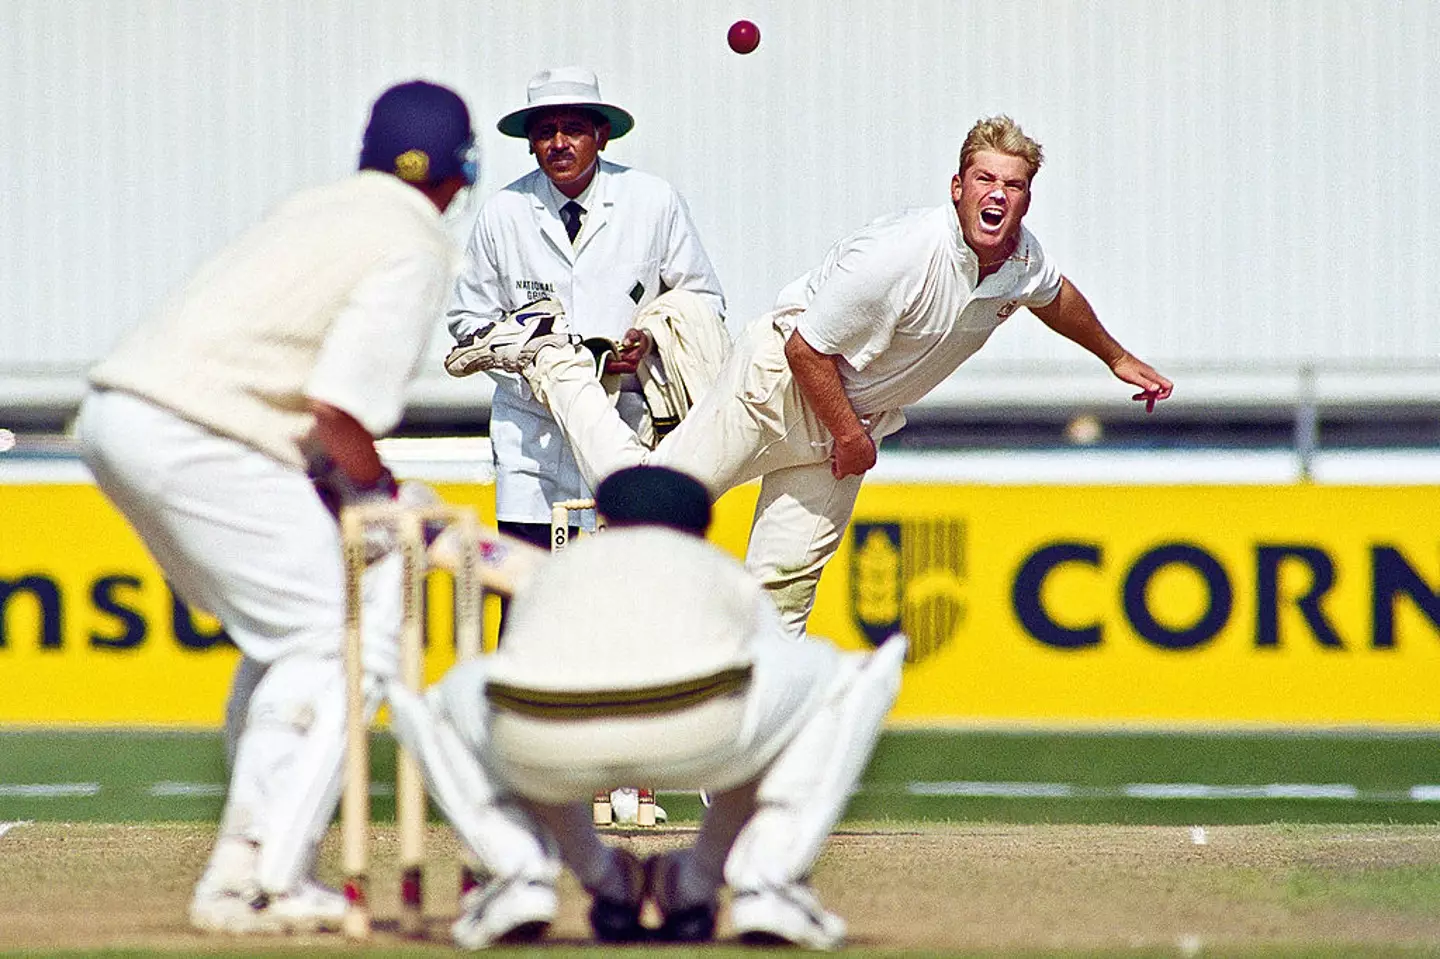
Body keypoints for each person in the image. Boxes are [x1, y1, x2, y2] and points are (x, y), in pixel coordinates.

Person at [445, 115, 1175, 636]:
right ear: (957, 186)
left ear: (1026, 196)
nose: (999, 194)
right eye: (985, 178)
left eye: (1014, 184)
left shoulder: (1021, 257)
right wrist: (852, 436)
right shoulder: (900, 254)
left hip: (843, 427)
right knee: (647, 508)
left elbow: (1055, 295)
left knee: (781, 597)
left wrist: (1113, 355)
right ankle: (560, 363)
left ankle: (736, 784)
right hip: (777, 392)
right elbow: (805, 350)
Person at [76, 80, 479, 934]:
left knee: (290, 635)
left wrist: (347, 486)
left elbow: (300, 398)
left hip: (120, 416)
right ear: (461, 173)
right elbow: (341, 408)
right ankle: (258, 879)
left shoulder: (319, 207)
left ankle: (250, 861)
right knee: (331, 632)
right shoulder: (415, 241)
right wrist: (378, 491)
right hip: (201, 435)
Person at [386, 465, 906, 949]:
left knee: (437, 702)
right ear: (699, 528)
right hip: (702, 729)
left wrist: (411, 505)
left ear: (607, 521)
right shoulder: (723, 571)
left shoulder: (558, 567)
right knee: (843, 678)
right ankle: (767, 882)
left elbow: (464, 546)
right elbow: (771, 668)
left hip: (544, 737)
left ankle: (521, 874)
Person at [445, 65, 725, 559]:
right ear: (530, 143)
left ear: (601, 135)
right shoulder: (504, 211)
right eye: (546, 131)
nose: (559, 143)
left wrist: (649, 342)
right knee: (526, 591)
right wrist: (536, 367)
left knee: (622, 585)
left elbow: (702, 300)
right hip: (532, 440)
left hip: (627, 426)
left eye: (573, 129)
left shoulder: (651, 201)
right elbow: (469, 321)